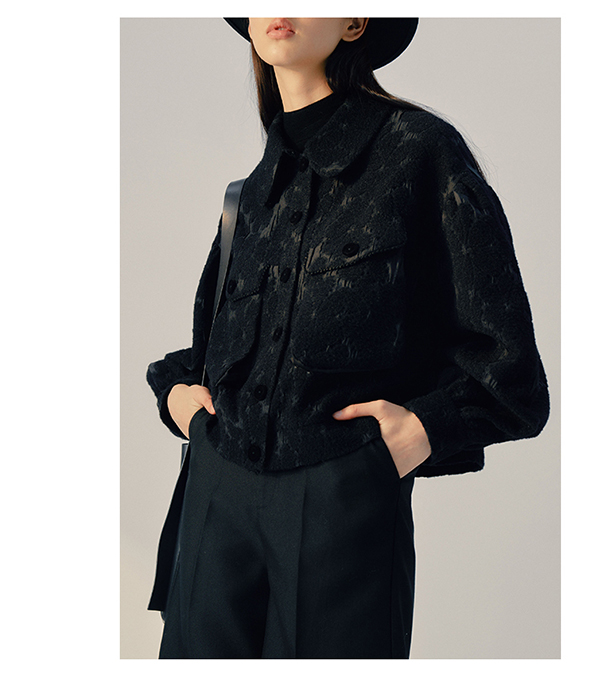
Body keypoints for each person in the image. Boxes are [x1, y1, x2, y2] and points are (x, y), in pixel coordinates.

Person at [146, 17, 550, 659]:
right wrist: (176, 395)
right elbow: (214, 352)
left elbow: (512, 375)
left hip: (339, 501)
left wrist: (418, 433)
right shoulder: (252, 191)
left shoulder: (420, 151)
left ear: (356, 21)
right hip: (214, 496)